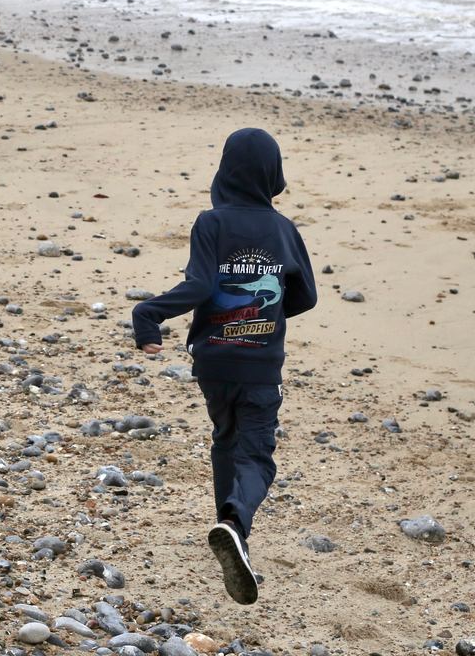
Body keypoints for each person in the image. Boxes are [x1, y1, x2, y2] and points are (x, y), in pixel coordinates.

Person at [131, 128, 318, 605]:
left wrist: (149, 315)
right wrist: (264, 316)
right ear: (273, 175)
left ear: (225, 170)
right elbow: (306, 296)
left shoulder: (210, 223)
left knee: (224, 437)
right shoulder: (283, 230)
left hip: (213, 362)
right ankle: (234, 524)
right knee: (256, 455)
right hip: (260, 366)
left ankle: (226, 527)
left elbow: (198, 286)